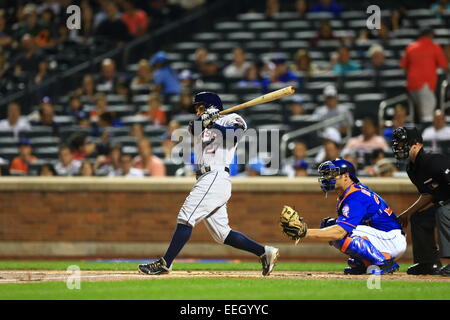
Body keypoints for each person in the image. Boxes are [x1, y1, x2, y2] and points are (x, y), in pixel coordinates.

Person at [138, 92, 279, 275]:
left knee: (186, 216)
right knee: (222, 234)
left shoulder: (233, 118)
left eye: (200, 107)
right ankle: (264, 252)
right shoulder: (198, 125)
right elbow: (193, 128)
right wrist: (207, 119)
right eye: (196, 108)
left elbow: (234, 136)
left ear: (212, 106)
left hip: (216, 175)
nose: (197, 111)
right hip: (206, 178)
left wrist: (214, 122)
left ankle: (166, 263)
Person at [281, 159, 406, 274]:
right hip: (383, 236)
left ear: (346, 176)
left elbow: (340, 232)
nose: (327, 178)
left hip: (390, 239)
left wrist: (305, 232)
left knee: (339, 231)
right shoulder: (350, 192)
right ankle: (364, 262)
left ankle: (383, 261)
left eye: (332, 174)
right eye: (326, 174)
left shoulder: (355, 197)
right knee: (329, 224)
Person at [392, 127, 450, 276]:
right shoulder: (411, 169)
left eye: (402, 143)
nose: (398, 147)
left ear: (416, 145)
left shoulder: (435, 161)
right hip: (444, 204)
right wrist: (407, 213)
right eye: (397, 144)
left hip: (447, 206)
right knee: (418, 218)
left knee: (443, 211)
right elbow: (428, 195)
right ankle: (428, 263)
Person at [400, 28, 449, 122]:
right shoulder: (433, 46)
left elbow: (403, 66)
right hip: (425, 84)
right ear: (430, 35)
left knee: (420, 112)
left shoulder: (411, 47)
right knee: (428, 114)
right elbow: (444, 65)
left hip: (411, 84)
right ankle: (425, 134)